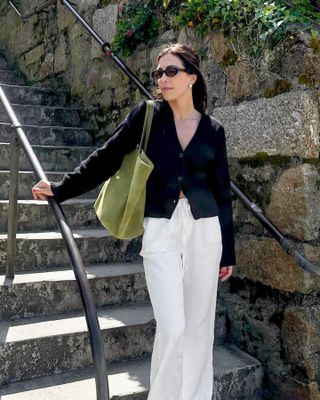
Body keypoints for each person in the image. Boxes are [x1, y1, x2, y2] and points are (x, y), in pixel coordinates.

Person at [32, 43, 235, 400]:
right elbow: (107, 157)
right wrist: (62, 188)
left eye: (171, 71)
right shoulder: (147, 115)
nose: (162, 79)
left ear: (192, 77)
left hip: (206, 230)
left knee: (199, 329)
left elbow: (222, 192)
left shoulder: (213, 130)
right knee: (173, 327)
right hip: (161, 226)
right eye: (159, 73)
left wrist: (227, 252)